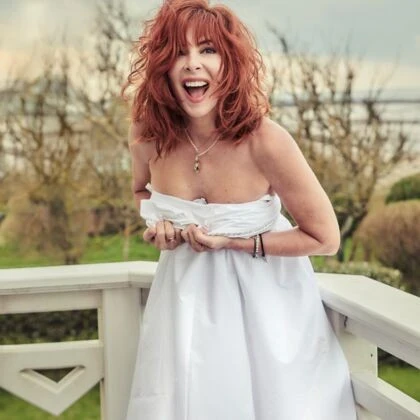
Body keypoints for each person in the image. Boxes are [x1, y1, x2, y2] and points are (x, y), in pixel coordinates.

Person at [123, 0, 358, 419]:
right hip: (181, 304)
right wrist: (159, 227)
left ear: (230, 63)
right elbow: (142, 192)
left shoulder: (266, 140)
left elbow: (325, 238)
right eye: (178, 51)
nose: (193, 63)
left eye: (208, 50)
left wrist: (233, 242)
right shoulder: (147, 135)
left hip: (267, 312)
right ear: (162, 66)